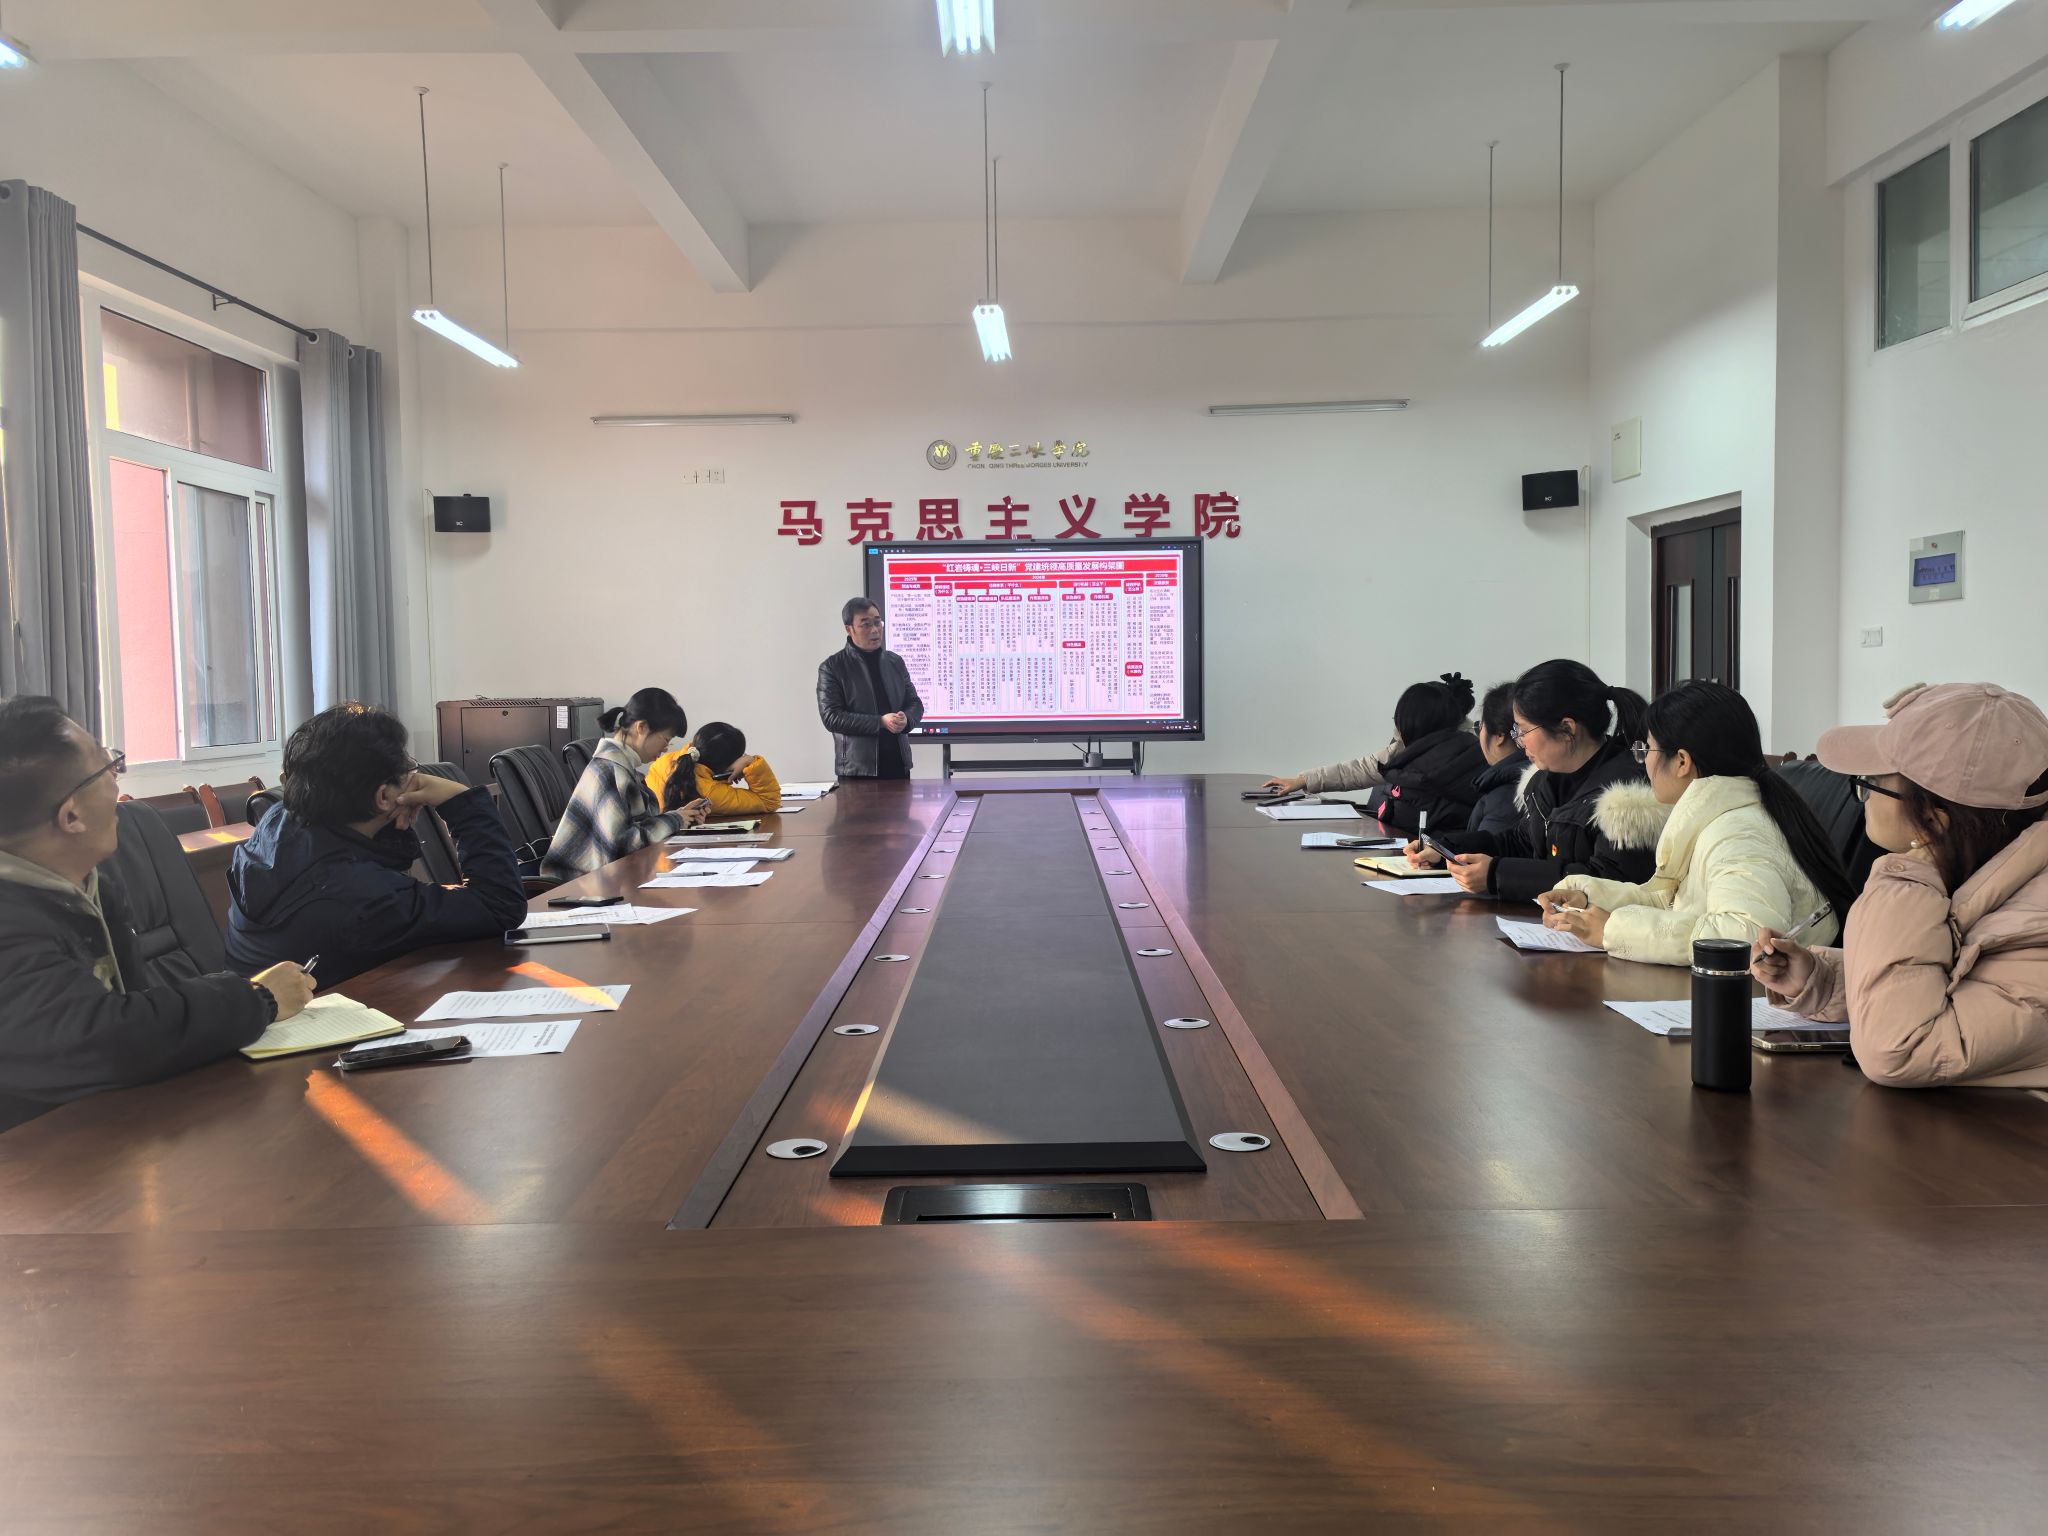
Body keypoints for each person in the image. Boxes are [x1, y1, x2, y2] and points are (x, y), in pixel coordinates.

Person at [0, 696, 313, 1131]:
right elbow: (107, 1038)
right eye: (108, 768)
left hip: (118, 1129)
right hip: (40, 1157)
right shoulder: (11, 924)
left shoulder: (87, 886)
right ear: (71, 816)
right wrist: (258, 998)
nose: (117, 785)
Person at [1751, 683, 2048, 1088]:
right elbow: (1953, 989)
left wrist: (1903, 878)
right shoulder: (1990, 874)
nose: (1864, 797)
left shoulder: (2035, 925)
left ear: (1933, 820)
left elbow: (1902, 1048)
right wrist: (1822, 980)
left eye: (1872, 782)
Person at [1533, 681, 1855, 964]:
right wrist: (1586, 898)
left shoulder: (1738, 833)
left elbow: (1746, 936)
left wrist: (1613, 929)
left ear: (1682, 761)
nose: (1643, 762)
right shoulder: (1716, 816)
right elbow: (1672, 905)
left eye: (1647, 749)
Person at [227, 703, 530, 986]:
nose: (413, 776)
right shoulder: (361, 896)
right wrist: (460, 801)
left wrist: (387, 817)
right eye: (408, 768)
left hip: (271, 1012)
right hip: (336, 1019)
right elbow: (499, 906)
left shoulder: (277, 821)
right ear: (383, 796)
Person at [1411, 658, 1665, 902]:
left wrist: (1496, 874)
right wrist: (1447, 849)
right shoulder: (1546, 780)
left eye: (1523, 730)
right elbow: (1521, 842)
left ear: (1567, 729)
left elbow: (1608, 881)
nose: (1519, 741)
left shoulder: (1628, 797)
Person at [543, 688, 707, 881]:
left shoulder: (622, 768)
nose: (665, 749)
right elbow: (621, 845)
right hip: (580, 885)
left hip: (608, 879)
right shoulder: (610, 770)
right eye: (665, 739)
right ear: (641, 727)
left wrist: (681, 816)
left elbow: (635, 831)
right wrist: (674, 820)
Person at [1259, 672, 1478, 802]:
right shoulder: (1410, 746)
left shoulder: (1467, 757)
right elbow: (1361, 769)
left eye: (1401, 721)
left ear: (1420, 723)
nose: (1397, 728)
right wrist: (1304, 780)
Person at [1349, 675, 1488, 834]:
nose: (1397, 730)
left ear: (1414, 723)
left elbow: (1400, 825)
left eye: (1399, 721)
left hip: (1416, 846)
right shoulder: (1471, 752)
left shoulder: (1414, 770)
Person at [818, 598, 925, 781]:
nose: (875, 630)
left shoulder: (895, 662)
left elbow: (914, 702)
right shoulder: (832, 667)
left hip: (898, 766)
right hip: (857, 770)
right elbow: (831, 717)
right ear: (849, 629)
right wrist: (880, 722)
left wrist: (906, 719)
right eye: (866, 625)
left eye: (877, 622)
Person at [650, 722, 783, 817]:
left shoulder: (663, 762)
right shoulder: (711, 792)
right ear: (728, 766)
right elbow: (769, 801)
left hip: (654, 843)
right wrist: (751, 762)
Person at [1465, 681, 1529, 841]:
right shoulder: (1542, 776)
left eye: (1480, 726)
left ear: (1500, 735)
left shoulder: (1505, 795)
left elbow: (1486, 852)